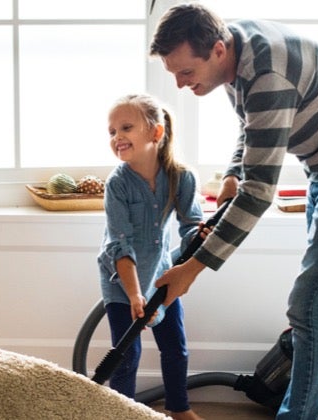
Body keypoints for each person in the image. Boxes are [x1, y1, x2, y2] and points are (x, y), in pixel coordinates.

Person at [149, 4, 318, 419]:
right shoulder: (234, 53)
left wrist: (191, 268)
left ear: (216, 49)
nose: (179, 84)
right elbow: (256, 126)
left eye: (186, 73)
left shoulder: (267, 74)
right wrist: (234, 171)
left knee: (309, 305)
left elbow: (258, 194)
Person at [97, 93, 205, 420]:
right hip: (121, 281)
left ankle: (179, 408)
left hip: (162, 275)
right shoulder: (118, 184)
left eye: (126, 127)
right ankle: (123, 413)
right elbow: (120, 245)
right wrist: (133, 294)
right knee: (127, 354)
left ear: (156, 133)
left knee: (175, 348)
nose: (117, 137)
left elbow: (190, 227)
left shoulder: (181, 177)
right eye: (111, 131)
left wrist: (199, 234)